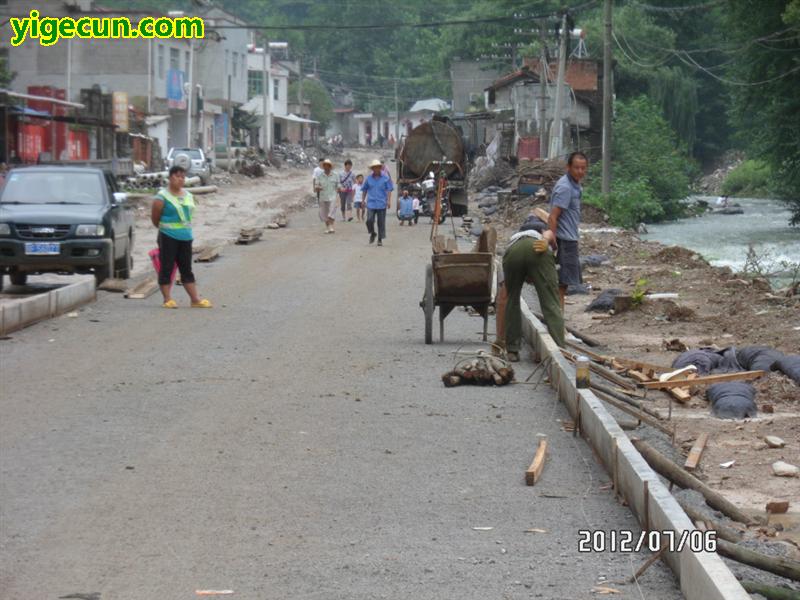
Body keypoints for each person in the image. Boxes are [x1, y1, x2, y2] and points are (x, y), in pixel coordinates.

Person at [498, 228, 565, 361]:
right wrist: (546, 241)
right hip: (537, 250)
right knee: (550, 301)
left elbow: (503, 299)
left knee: (513, 299)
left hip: (513, 252)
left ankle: (512, 350)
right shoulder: (542, 237)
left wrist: (500, 339)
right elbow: (550, 233)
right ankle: (559, 351)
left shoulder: (515, 237)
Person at [150, 165, 212, 309]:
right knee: (167, 267)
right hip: (168, 236)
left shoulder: (188, 196)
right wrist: (165, 230)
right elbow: (155, 219)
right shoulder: (162, 197)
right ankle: (167, 299)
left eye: (183, 177)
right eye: (177, 176)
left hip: (186, 237)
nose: (180, 179)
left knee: (186, 268)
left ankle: (195, 300)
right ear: (170, 178)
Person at [548, 151, 588, 310]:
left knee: (563, 284)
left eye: (583, 168)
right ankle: (558, 321)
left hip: (569, 238)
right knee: (562, 284)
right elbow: (552, 217)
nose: (580, 171)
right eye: (576, 168)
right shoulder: (565, 187)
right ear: (568, 167)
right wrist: (553, 242)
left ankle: (558, 319)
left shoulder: (575, 185)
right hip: (564, 240)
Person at [361, 159, 393, 246]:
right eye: (374, 168)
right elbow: (364, 189)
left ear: (380, 168)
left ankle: (380, 239)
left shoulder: (385, 178)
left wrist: (389, 201)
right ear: (372, 169)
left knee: (381, 222)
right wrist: (363, 200)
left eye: (377, 167)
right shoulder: (369, 178)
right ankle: (372, 233)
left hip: (381, 203)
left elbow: (389, 190)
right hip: (371, 203)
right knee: (369, 220)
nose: (376, 169)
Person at [315, 158, 339, 234]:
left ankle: (331, 226)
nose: (326, 167)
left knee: (332, 211)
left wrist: (340, 188)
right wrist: (318, 187)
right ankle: (328, 227)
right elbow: (316, 185)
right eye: (324, 165)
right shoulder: (320, 176)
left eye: (327, 165)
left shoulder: (335, 175)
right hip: (323, 196)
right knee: (324, 213)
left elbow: (338, 184)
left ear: (330, 166)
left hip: (332, 196)